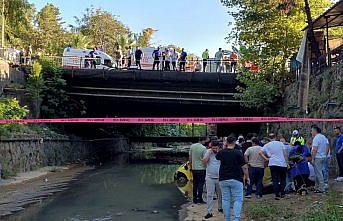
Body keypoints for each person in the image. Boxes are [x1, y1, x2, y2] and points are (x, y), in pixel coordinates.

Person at [216, 136, 249, 221]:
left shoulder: (222, 152)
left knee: (225, 199)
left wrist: (224, 146)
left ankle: (227, 219)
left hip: (223, 178)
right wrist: (247, 177)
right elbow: (244, 167)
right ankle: (236, 219)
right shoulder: (238, 153)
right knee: (238, 199)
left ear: (226, 142)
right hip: (236, 178)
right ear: (234, 142)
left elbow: (217, 156)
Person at [259, 133, 288, 200]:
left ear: (269, 138)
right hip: (282, 163)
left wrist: (266, 159)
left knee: (275, 179)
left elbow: (260, 152)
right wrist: (287, 162)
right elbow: (285, 153)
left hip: (272, 163)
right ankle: (283, 193)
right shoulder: (280, 143)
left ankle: (277, 194)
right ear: (275, 137)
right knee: (283, 179)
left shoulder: (267, 145)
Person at [202, 140, 223, 219]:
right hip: (209, 177)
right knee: (209, 195)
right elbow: (203, 162)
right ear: (211, 147)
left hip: (220, 177)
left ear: (219, 147)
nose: (215, 150)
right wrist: (209, 154)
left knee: (220, 194)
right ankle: (209, 212)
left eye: (216, 148)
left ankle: (220, 207)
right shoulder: (208, 152)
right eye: (213, 148)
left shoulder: (222, 152)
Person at [189, 137, 210, 204]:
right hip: (202, 169)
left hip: (194, 168)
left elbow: (190, 157)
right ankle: (200, 199)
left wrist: (191, 166)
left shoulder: (192, 146)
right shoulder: (204, 148)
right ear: (203, 140)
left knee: (195, 184)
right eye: (205, 141)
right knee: (201, 184)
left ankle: (194, 199)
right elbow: (205, 159)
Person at [311, 125, 330, 193]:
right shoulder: (323, 137)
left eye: (312, 130)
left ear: (315, 131)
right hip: (323, 156)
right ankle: (317, 186)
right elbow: (327, 146)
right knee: (318, 172)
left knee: (319, 173)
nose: (311, 132)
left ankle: (321, 188)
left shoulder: (316, 138)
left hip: (318, 157)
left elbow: (315, 149)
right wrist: (325, 155)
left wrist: (312, 159)